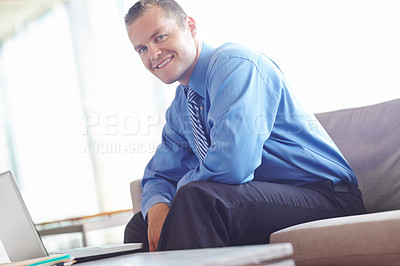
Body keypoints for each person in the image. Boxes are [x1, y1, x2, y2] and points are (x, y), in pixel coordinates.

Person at [123, 0, 366, 252]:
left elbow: (232, 165)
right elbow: (159, 174)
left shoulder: (234, 65)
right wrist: (158, 204)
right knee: (140, 226)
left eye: (160, 36)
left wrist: (176, 194)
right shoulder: (182, 107)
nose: (153, 53)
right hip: (259, 199)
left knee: (195, 199)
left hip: (326, 197)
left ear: (190, 26)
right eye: (142, 48)